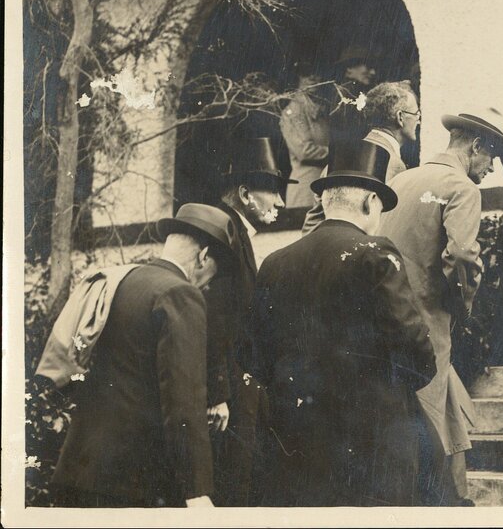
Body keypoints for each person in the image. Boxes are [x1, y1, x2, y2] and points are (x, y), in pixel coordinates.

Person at [251, 141, 436, 506]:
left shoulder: (274, 262)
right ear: (370, 202)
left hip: (296, 439)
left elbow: (254, 355)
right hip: (371, 440)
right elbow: (415, 349)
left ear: (323, 201)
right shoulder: (374, 253)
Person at [52, 204, 239, 508]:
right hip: (133, 483)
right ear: (203, 256)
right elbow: (184, 399)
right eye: (210, 278)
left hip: (80, 468)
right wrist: (197, 489)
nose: (206, 286)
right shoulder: (180, 293)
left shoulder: (122, 281)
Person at [379, 109, 503, 506]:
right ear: (475, 147)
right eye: (491, 158)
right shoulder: (462, 188)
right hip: (429, 322)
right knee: (431, 418)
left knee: (437, 414)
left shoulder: (401, 180)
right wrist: (465, 305)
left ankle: (456, 499)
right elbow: (461, 256)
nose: (491, 169)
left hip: (387, 320)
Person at [207, 137, 295, 505]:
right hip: (226, 391)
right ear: (245, 194)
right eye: (273, 191)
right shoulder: (227, 235)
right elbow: (216, 318)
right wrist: (217, 394)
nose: (280, 202)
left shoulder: (236, 232)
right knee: (232, 483)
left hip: (235, 384)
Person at [302, 80, 419, 234]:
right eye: (416, 113)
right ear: (400, 117)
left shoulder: (342, 156)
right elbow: (386, 231)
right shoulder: (393, 164)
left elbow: (312, 225)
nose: (419, 119)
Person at [279, 64, 332, 208]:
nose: (312, 78)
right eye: (306, 73)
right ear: (297, 77)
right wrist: (336, 154)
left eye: (317, 72)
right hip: (306, 186)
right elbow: (304, 151)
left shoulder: (321, 110)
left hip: (323, 183)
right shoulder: (295, 112)